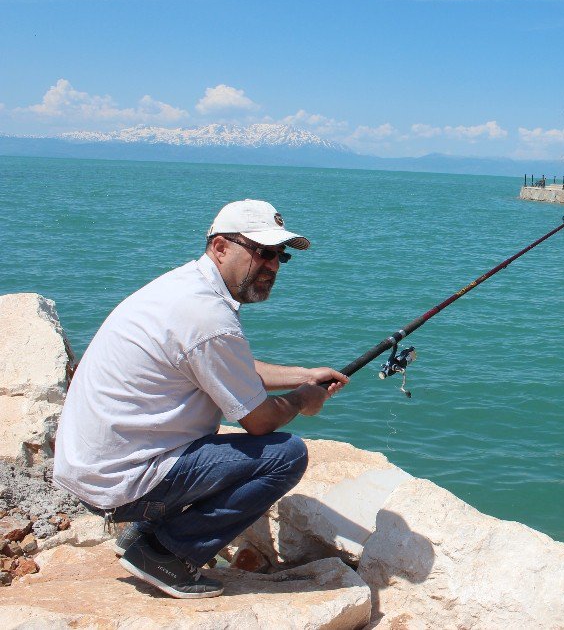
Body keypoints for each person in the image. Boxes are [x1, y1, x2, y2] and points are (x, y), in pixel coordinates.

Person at [53, 199, 349, 599]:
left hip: (94, 466)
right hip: (119, 479)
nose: (274, 265)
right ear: (221, 247)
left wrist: (302, 375)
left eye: (280, 256)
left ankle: (145, 532)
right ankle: (166, 554)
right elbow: (259, 421)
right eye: (262, 252)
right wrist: (301, 400)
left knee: (224, 445)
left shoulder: (185, 289)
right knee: (285, 454)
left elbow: (228, 366)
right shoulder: (206, 317)